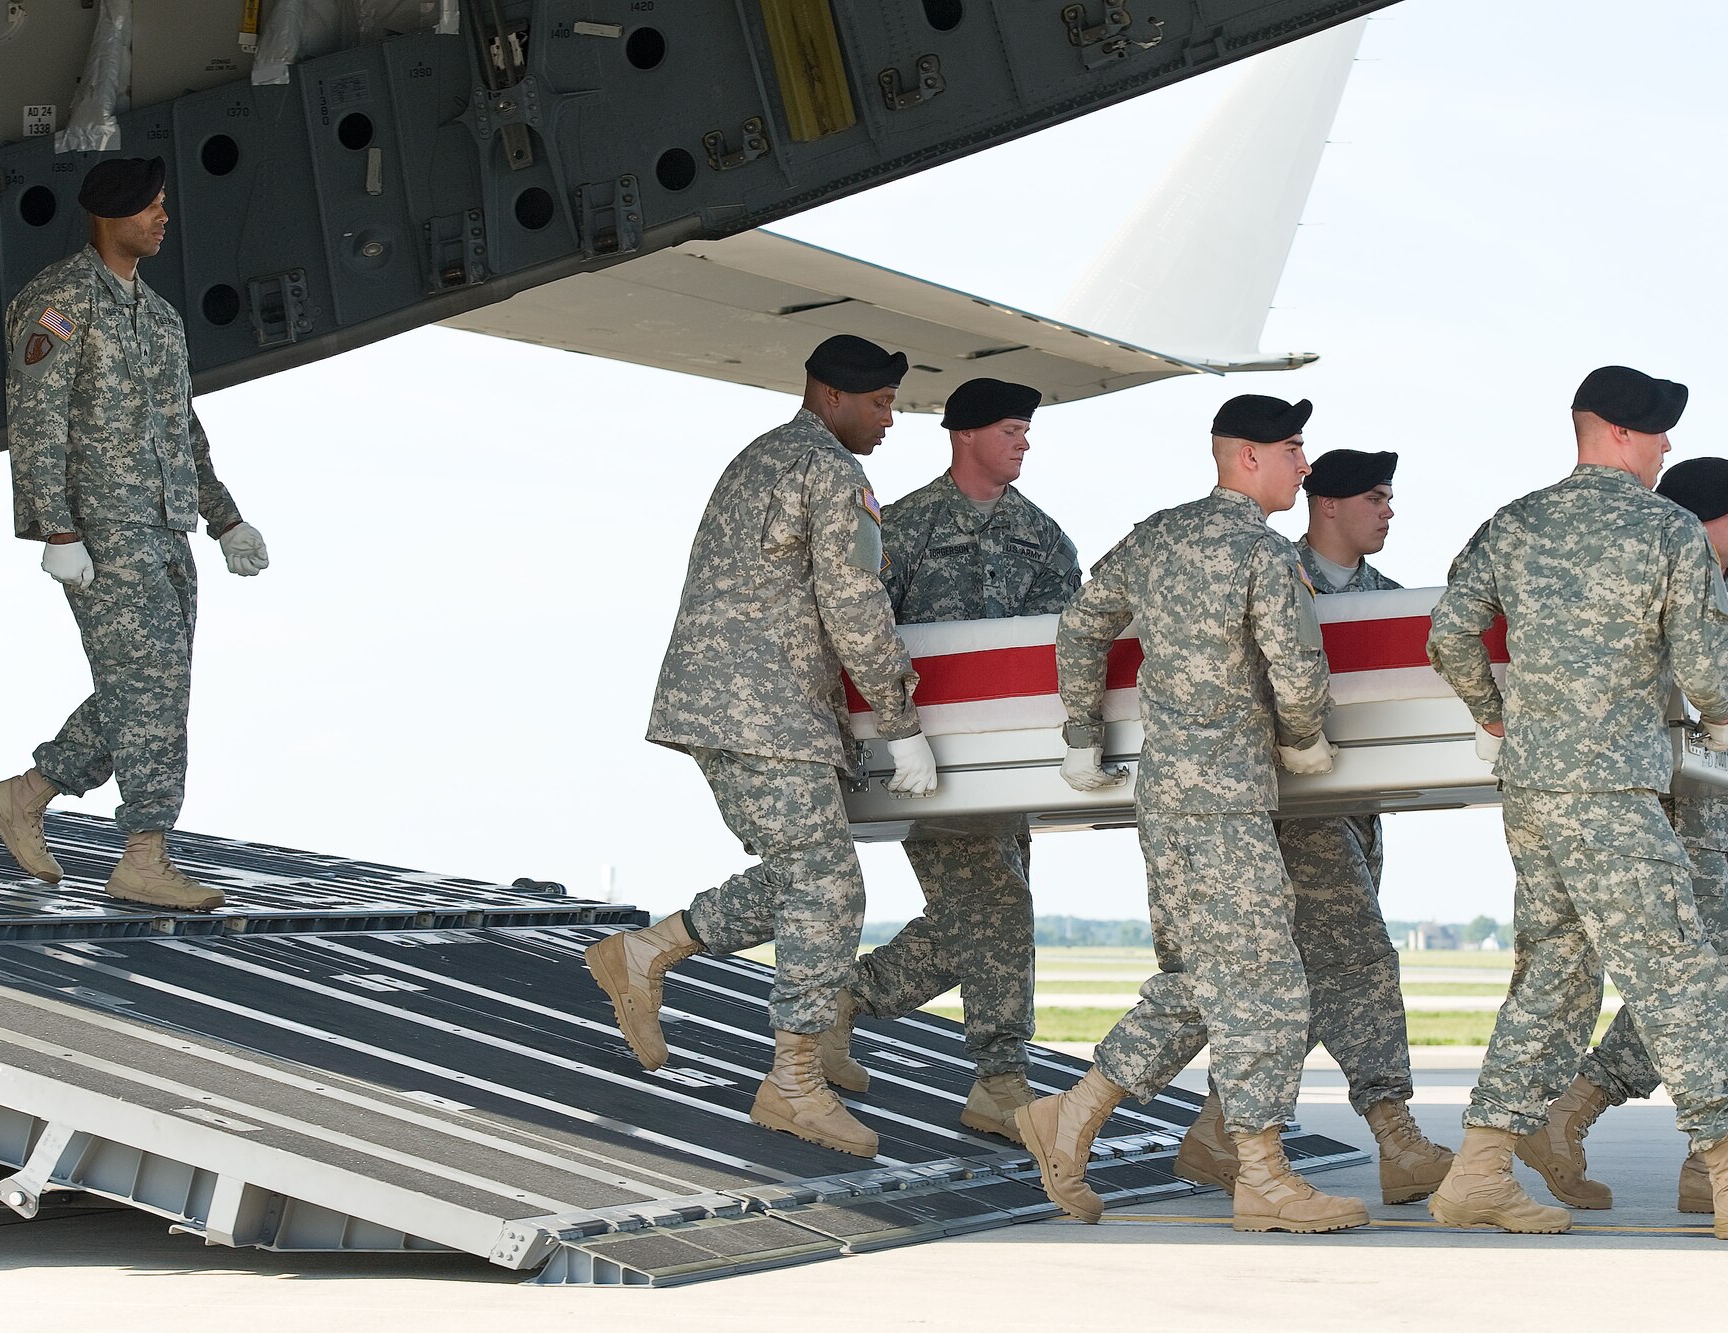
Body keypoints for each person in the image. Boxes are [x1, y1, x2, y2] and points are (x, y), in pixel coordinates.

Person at [1424, 365, 1728, 1240]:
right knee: (1682, 967)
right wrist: (1725, 720)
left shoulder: (1517, 520)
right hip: (1614, 784)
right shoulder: (1664, 528)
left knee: (1559, 973)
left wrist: (1496, 712)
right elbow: (1703, 657)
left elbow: (1449, 632)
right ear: (1616, 432)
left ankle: (1479, 1170)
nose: (1664, 451)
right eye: (1656, 434)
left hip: (1533, 785)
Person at [1014, 394, 1369, 1234]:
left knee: (1200, 983)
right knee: (1269, 983)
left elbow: (1080, 624)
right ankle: (1264, 1174)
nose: (1304, 465)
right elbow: (1297, 667)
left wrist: (1080, 734)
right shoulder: (1260, 551)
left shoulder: (1159, 534)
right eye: (1292, 449)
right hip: (1225, 800)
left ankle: (1071, 1115)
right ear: (1247, 457)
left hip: (1165, 797)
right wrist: (1308, 740)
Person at [585, 334, 937, 1159]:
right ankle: (793, 1081)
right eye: (880, 403)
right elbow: (855, 605)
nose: (890, 420)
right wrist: (901, 722)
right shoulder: (831, 472)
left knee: (798, 876)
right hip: (766, 707)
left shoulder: (758, 457)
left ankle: (644, 953)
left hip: (720, 700)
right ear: (830, 395)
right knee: (827, 882)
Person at [1518, 456, 1728, 1214]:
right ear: (1692, 522)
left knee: (1686, 992)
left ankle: (1587, 1118)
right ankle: (1715, 1161)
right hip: (1660, 820)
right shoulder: (1643, 589)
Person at [0, 157, 268, 912]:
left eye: (164, 205)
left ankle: (26, 794)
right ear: (112, 217)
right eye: (151, 208)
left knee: (149, 687)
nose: (163, 218)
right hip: (103, 530)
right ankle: (144, 853)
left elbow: (183, 427)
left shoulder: (160, 317)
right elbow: (36, 420)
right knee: (154, 685)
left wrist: (224, 515)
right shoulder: (62, 302)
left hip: (168, 526)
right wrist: (56, 527)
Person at [819, 378, 1079, 1142]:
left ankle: (846, 998)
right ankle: (1000, 1081)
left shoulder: (1047, 539)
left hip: (1015, 774)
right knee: (999, 911)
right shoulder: (904, 529)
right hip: (928, 764)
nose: (1024, 442)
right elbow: (859, 637)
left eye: (1027, 430)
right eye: (1009, 429)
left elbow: (1073, 646)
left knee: (978, 919)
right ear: (965, 435)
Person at [1262, 449, 1456, 1204]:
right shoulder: (1272, 571)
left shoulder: (1395, 604)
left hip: (1358, 820)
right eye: (1376, 497)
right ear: (1331, 505)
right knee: (1364, 963)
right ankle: (1395, 1134)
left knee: (1312, 985)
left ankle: (1221, 1129)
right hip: (1290, 813)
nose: (1389, 510)